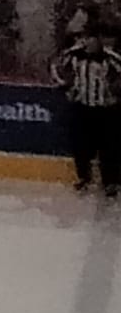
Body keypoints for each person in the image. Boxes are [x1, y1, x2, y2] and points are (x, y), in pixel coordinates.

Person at [52, 25, 121, 194]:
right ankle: (84, 177)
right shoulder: (73, 55)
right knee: (80, 145)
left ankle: (110, 181)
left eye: (92, 39)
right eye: (86, 38)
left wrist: (116, 93)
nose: (89, 42)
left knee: (108, 147)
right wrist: (65, 86)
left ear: (99, 40)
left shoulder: (110, 57)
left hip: (105, 110)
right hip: (82, 108)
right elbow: (55, 67)